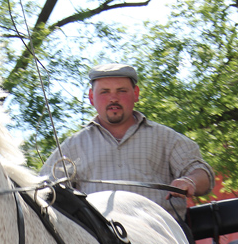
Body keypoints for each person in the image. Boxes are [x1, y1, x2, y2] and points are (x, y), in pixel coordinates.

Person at [40, 63, 215, 219]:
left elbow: (201, 172)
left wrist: (190, 181)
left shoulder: (165, 137)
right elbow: (42, 190)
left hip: (162, 236)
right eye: (105, 92)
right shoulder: (72, 147)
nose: (113, 98)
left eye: (121, 91)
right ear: (92, 98)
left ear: (136, 94)